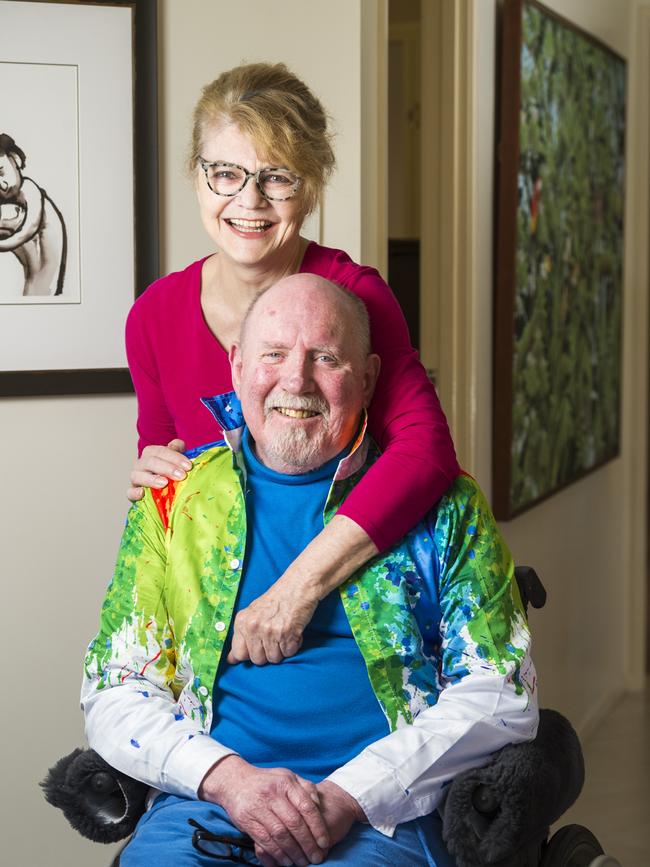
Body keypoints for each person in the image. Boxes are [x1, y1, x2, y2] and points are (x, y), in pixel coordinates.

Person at [83, 275, 538, 867]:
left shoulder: (447, 505)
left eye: (326, 358)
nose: (294, 380)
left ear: (369, 377)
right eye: (273, 354)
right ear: (237, 365)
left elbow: (503, 689)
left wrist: (351, 793)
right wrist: (229, 780)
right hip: (207, 806)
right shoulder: (172, 501)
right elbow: (115, 686)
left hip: (384, 814)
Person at [125, 62, 460, 668]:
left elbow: (426, 452)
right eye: (224, 172)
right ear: (196, 176)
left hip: (352, 614)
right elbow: (170, 486)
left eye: (276, 177)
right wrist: (153, 475)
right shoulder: (152, 317)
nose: (248, 202)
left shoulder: (355, 295)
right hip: (219, 633)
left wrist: (295, 592)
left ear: (311, 185)